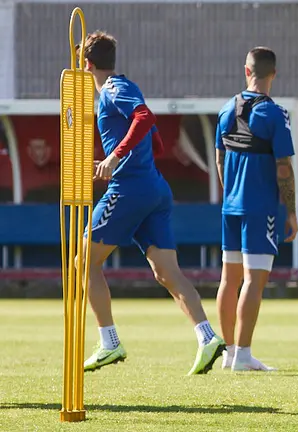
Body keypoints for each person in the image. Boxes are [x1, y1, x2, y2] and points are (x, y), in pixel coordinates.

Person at [78, 31, 225, 375]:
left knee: (82, 263)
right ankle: (207, 337)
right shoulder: (120, 88)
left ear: (87, 65)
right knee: (167, 273)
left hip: (131, 189)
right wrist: (135, 157)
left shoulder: (114, 89)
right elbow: (154, 140)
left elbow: (145, 118)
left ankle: (109, 342)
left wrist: (114, 158)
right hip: (153, 188)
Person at [215, 47, 298, 372]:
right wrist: (290, 210)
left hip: (230, 206)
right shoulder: (275, 114)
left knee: (228, 279)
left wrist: (229, 190)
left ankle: (229, 352)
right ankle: (244, 355)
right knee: (254, 280)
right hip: (259, 207)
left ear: (246, 70)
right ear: (273, 74)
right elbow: (284, 168)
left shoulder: (225, 109)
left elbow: (220, 159)